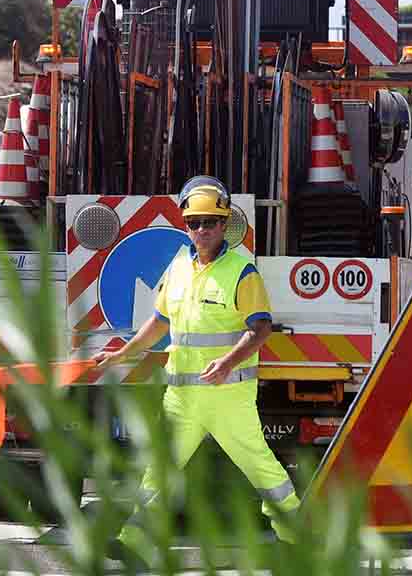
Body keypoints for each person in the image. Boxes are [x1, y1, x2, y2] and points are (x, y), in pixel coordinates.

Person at [93, 176, 299, 560]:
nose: (201, 230)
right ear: (184, 225)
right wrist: (122, 355)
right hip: (182, 397)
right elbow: (158, 323)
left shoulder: (242, 271)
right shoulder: (178, 269)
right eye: (194, 223)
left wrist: (227, 362)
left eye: (209, 222)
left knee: (261, 469)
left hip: (228, 397)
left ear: (224, 225)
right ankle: (133, 541)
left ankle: (295, 534)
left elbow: (260, 329)